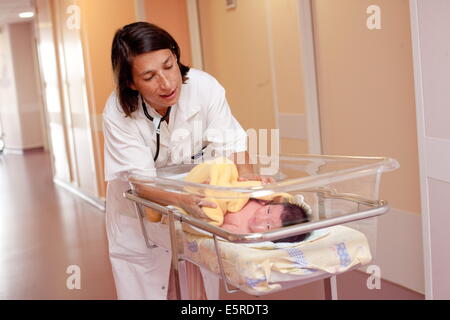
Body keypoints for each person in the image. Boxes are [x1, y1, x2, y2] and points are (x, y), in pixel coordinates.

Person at [103, 22, 263, 300]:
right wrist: (184, 201)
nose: (167, 83)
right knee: (150, 287)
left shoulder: (204, 87)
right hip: (140, 212)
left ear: (176, 56)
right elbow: (141, 182)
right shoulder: (118, 114)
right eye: (150, 76)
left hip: (195, 203)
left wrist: (248, 185)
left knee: (199, 288)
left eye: (168, 65)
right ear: (131, 82)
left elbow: (233, 144)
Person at [220, 199, 311, 242]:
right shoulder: (260, 201)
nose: (260, 218)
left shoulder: (244, 235)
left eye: (267, 225)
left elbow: (220, 231)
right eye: (268, 210)